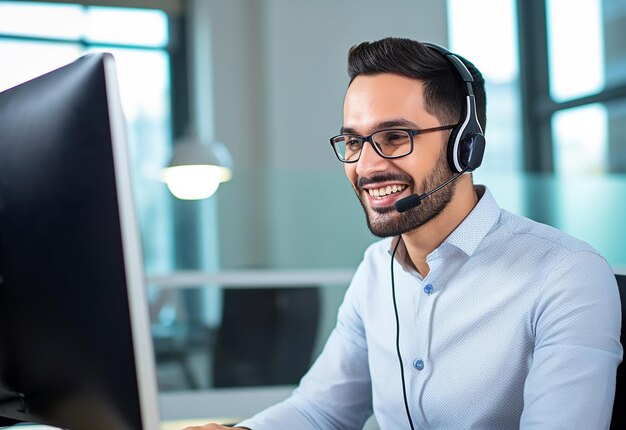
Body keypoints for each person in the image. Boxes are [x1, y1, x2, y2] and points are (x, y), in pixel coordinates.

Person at [184, 37, 622, 430]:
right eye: (353, 142)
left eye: (395, 137)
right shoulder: (376, 271)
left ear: (465, 145)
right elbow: (321, 411)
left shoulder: (567, 275)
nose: (368, 165)